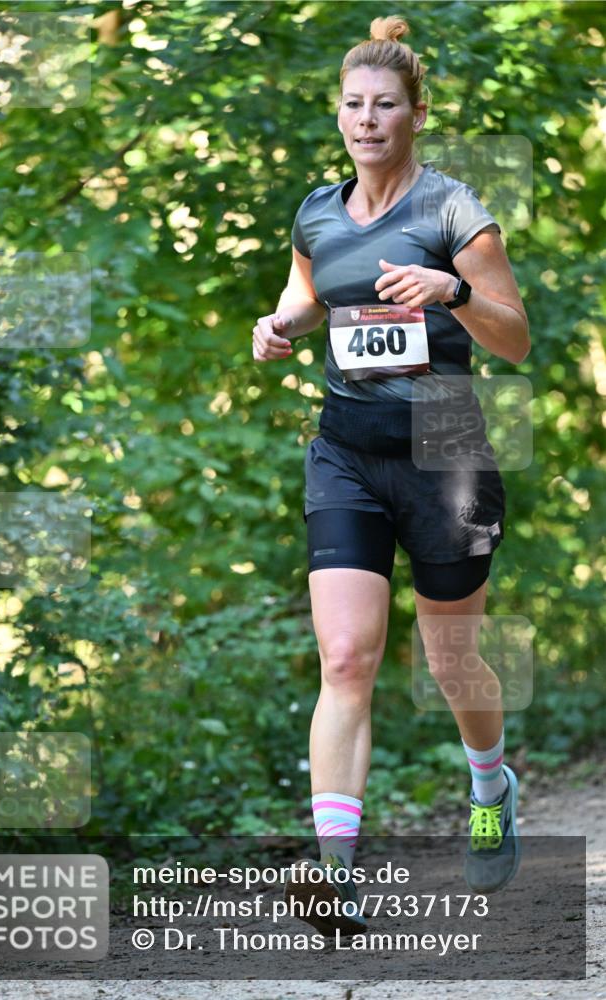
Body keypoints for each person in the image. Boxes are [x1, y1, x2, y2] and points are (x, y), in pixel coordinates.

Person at [252, 15, 530, 936]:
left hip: (444, 447)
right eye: (352, 105)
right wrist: (279, 326)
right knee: (345, 658)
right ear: (339, 114)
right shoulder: (317, 211)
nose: (365, 120)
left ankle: (489, 782)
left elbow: (513, 337)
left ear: (414, 114)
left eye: (383, 106)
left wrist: (453, 291)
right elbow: (306, 291)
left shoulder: (454, 211)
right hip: (345, 447)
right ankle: (336, 874)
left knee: (448, 659)